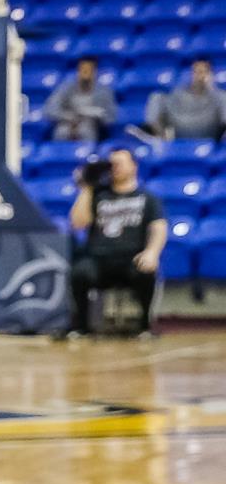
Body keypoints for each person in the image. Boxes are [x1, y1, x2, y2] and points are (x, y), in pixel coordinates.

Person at [67, 147, 165, 337]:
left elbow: (159, 227)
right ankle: (81, 326)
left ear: (134, 166)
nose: (115, 168)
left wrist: (152, 252)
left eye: (120, 163)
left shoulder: (147, 198)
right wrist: (87, 187)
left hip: (131, 257)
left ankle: (144, 326)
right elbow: (78, 223)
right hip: (99, 259)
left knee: (145, 270)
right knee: (79, 272)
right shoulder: (98, 194)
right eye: (112, 164)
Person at [146, 59, 225, 142]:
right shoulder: (175, 96)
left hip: (211, 144)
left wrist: (211, 89)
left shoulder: (221, 97)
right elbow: (154, 117)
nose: (200, 77)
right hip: (176, 144)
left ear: (211, 75)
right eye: (196, 72)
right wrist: (164, 138)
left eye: (204, 72)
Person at [45, 56, 117, 143]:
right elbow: (49, 110)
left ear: (95, 71)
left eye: (89, 70)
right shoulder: (65, 88)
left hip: (92, 127)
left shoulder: (104, 92)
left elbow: (111, 118)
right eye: (82, 69)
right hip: (67, 123)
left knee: (85, 130)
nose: (85, 73)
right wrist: (70, 116)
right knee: (61, 131)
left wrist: (94, 114)